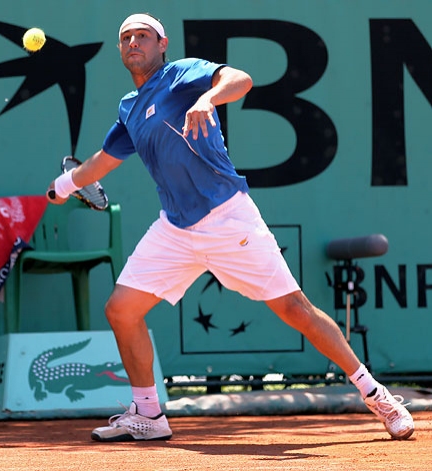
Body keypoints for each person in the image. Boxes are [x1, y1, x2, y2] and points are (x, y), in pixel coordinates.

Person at [47, 13, 414, 442]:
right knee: (121, 310)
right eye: (126, 37)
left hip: (228, 217)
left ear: (162, 44)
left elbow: (240, 79)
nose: (133, 43)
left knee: (295, 310)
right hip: (175, 229)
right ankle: (148, 414)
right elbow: (104, 160)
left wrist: (208, 99)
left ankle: (376, 394)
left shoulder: (182, 75)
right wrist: (64, 186)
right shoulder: (129, 108)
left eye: (143, 36)